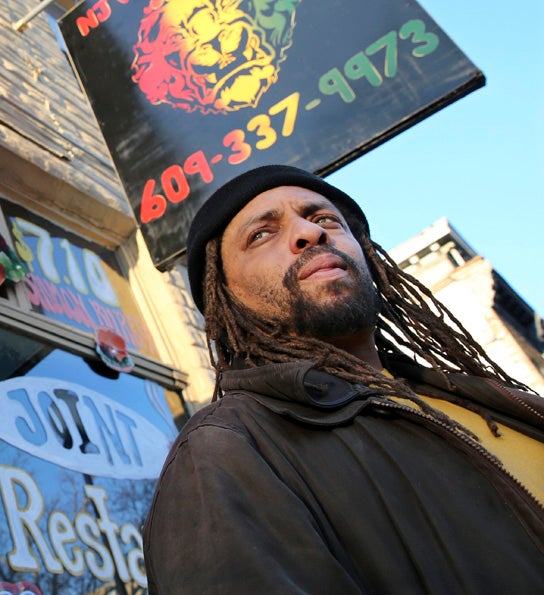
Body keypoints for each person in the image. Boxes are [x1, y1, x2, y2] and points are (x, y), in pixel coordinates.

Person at [142, 165, 544, 594]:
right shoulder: (224, 452)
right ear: (226, 298)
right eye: (262, 234)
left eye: (324, 219)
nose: (309, 234)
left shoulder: (476, 398)